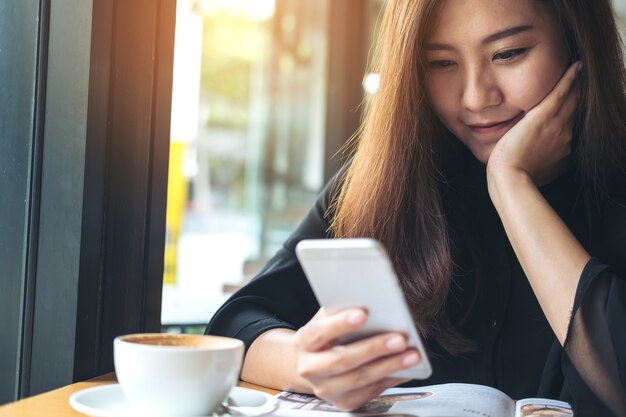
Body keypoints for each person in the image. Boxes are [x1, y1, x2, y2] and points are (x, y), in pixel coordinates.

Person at [206, 1, 626, 416]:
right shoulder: (394, 178)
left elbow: (617, 383)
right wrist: (304, 361)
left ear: (576, 42)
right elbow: (237, 322)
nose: (476, 97)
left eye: (508, 54)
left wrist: (510, 183)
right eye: (442, 63)